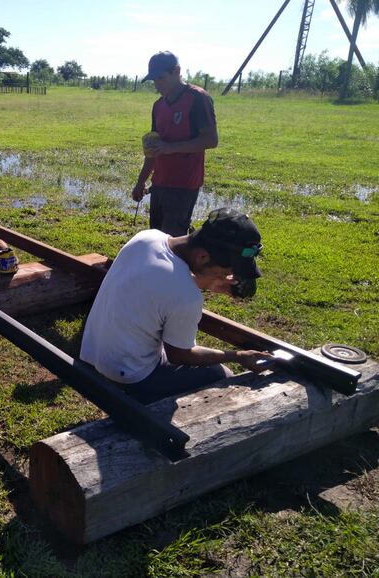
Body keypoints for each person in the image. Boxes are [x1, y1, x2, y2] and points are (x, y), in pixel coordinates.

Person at [79, 207, 272, 404]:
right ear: (202, 257)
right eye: (225, 271)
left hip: (92, 352)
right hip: (128, 374)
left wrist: (204, 281)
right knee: (221, 374)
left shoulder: (147, 238)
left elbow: (162, 281)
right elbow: (180, 355)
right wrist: (238, 356)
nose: (225, 277)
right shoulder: (186, 296)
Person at [132, 51, 219, 236]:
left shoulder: (197, 98)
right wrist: (141, 182)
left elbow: (211, 140)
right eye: (154, 80)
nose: (157, 84)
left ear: (177, 71)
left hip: (184, 184)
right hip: (160, 182)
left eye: (161, 78)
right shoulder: (158, 106)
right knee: (155, 238)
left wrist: (171, 148)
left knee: (173, 240)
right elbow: (153, 149)